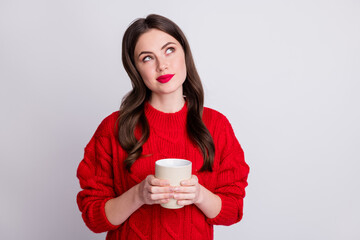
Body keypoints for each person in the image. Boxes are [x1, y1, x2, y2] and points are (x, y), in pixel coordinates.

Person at [76, 14, 249, 240]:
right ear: (135, 69)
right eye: (147, 58)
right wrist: (139, 194)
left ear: (185, 53)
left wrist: (199, 195)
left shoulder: (216, 125)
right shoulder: (114, 128)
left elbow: (232, 210)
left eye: (169, 50)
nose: (162, 65)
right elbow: (93, 218)